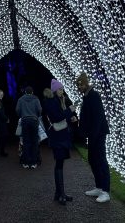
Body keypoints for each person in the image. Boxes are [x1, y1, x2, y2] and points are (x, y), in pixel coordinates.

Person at [76, 72, 111, 203]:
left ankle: (105, 191)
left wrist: (94, 135)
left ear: (85, 84)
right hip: (93, 134)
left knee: (100, 160)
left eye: (81, 85)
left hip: (98, 134)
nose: (79, 88)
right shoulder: (87, 96)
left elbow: (98, 117)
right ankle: (99, 186)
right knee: (93, 159)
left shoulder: (93, 95)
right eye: (78, 85)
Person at [42, 80, 76, 205]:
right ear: (55, 90)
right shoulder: (51, 101)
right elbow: (56, 117)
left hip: (61, 136)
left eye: (62, 89)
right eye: (60, 89)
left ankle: (59, 193)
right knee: (59, 164)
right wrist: (70, 110)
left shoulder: (57, 101)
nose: (62, 91)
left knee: (60, 164)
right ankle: (60, 194)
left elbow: (60, 116)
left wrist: (70, 117)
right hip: (58, 137)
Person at [16, 86, 42, 168]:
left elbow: (17, 110)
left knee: (26, 141)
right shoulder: (36, 99)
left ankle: (26, 162)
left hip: (25, 121)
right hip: (34, 121)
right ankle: (34, 162)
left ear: (25, 92)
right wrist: (36, 115)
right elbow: (39, 110)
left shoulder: (20, 99)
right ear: (32, 92)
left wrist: (22, 115)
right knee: (34, 142)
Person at [0, 89, 9, 157]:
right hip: (0, 122)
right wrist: (6, 119)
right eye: (1, 94)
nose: (2, 95)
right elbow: (1, 112)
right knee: (3, 136)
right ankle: (2, 152)